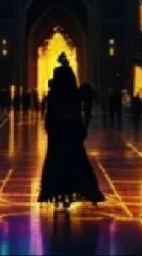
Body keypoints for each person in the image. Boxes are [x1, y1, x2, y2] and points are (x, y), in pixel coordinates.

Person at [38, 53, 104, 208]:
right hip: (71, 132)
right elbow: (83, 108)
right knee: (76, 160)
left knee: (58, 160)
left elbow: (50, 116)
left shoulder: (56, 96)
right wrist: (83, 127)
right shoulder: (73, 96)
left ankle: (59, 191)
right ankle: (81, 188)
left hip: (59, 133)